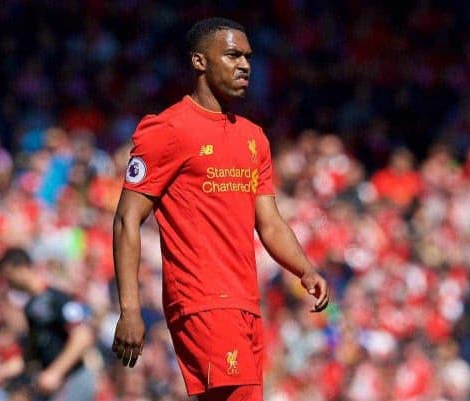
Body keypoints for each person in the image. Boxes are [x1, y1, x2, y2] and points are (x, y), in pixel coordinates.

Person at [111, 17, 330, 401]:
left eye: (248, 57)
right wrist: (129, 309)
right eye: (232, 55)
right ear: (199, 62)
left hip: (245, 301)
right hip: (201, 300)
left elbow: (270, 223)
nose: (244, 65)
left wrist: (304, 269)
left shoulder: (254, 138)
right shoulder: (168, 130)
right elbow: (127, 218)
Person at [0, 247, 96, 401]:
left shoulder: (56, 297)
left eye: (9, 277)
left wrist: (55, 372)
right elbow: (32, 355)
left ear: (22, 268)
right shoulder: (31, 307)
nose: (9, 285)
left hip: (72, 379)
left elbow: (83, 336)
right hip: (55, 383)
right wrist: (4, 371)